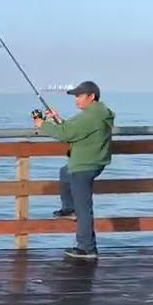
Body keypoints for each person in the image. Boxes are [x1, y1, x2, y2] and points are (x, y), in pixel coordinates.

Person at [33, 80, 115, 260]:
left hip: (84, 165)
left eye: (79, 96)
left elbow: (65, 134)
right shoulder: (98, 113)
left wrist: (42, 125)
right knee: (64, 172)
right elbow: (76, 130)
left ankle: (87, 248)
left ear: (91, 96)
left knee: (84, 209)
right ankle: (69, 208)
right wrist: (59, 120)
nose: (76, 100)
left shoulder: (91, 116)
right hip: (92, 162)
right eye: (75, 96)